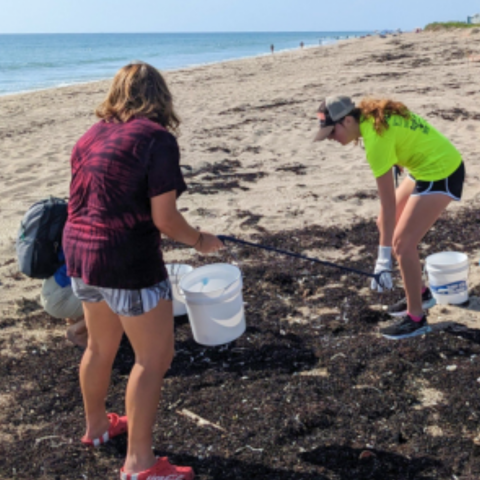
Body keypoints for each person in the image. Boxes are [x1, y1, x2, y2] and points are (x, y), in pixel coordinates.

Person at [63, 61, 223, 480]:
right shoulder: (157, 139)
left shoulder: (89, 136)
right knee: (153, 359)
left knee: (99, 347)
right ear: (160, 97)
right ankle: (140, 465)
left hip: (80, 253)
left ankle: (97, 427)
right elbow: (165, 219)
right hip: (126, 260)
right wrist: (200, 240)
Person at [314, 95, 465, 340]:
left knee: (402, 245)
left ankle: (416, 318)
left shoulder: (375, 141)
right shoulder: (371, 118)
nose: (331, 138)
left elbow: (388, 204)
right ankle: (422, 294)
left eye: (332, 132)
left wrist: (383, 259)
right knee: (385, 226)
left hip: (442, 171)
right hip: (424, 167)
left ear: (349, 121)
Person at [40, 249, 87, 348]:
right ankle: (75, 331)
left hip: (50, 288)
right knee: (118, 301)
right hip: (61, 299)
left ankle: (78, 320)